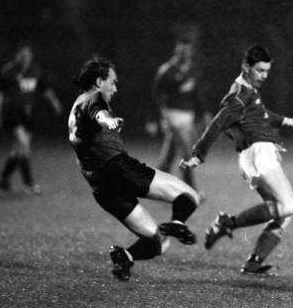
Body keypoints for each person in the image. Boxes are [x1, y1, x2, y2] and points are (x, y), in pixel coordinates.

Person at [68, 56, 202, 281]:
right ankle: (177, 223)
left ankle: (125, 257)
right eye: (112, 81)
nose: (115, 88)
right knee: (190, 195)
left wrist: (105, 120)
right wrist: (108, 121)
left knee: (159, 242)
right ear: (99, 82)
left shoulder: (76, 106)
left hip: (101, 188)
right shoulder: (93, 97)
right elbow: (99, 112)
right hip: (120, 171)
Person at [180, 45, 293, 275]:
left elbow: (262, 115)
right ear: (246, 67)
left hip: (257, 155)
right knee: (289, 205)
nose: (264, 76)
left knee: (283, 213)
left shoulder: (249, 92)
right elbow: (216, 124)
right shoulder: (239, 96)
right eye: (259, 70)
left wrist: (287, 120)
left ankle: (253, 263)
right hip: (258, 154)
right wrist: (197, 156)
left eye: (267, 71)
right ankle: (228, 222)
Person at [0, 43, 63, 194]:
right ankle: (29, 183)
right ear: (16, 56)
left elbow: (44, 88)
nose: (24, 58)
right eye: (22, 55)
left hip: (28, 114)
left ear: (31, 56)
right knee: (24, 146)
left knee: (17, 150)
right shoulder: (8, 71)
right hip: (12, 112)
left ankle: (4, 180)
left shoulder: (36, 71)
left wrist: (54, 102)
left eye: (27, 55)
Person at [152, 37, 212, 195]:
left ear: (191, 52)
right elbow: (158, 96)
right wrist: (160, 117)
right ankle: (191, 190)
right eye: (181, 50)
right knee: (187, 153)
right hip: (173, 116)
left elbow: (197, 94)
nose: (184, 54)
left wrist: (204, 112)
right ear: (176, 51)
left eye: (187, 51)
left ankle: (153, 185)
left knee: (169, 156)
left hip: (188, 116)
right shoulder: (166, 70)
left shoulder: (192, 69)